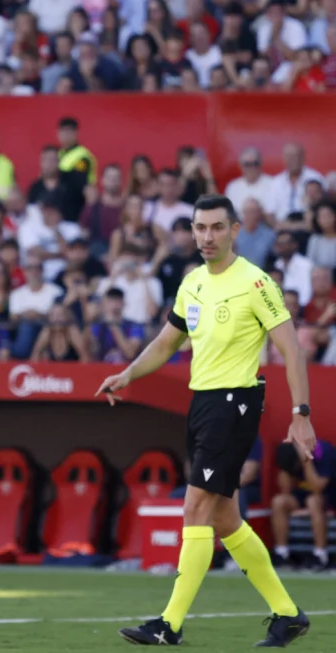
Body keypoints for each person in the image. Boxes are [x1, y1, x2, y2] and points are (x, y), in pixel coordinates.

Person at [97, 194, 314, 647]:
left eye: (217, 227)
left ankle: (169, 624)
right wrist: (129, 373)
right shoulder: (192, 281)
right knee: (225, 520)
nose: (207, 236)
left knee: (195, 508)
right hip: (202, 404)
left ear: (235, 230)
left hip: (234, 403)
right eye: (200, 228)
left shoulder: (256, 283)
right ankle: (288, 614)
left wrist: (300, 412)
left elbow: (291, 350)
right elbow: (165, 342)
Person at [271, 439, 336, 570]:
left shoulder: (323, 452)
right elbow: (286, 489)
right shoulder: (289, 454)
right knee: (279, 501)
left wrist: (306, 461)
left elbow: (318, 487)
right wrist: (285, 469)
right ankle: (282, 553)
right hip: (303, 497)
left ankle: (320, 555)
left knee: (313, 501)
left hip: (328, 496)